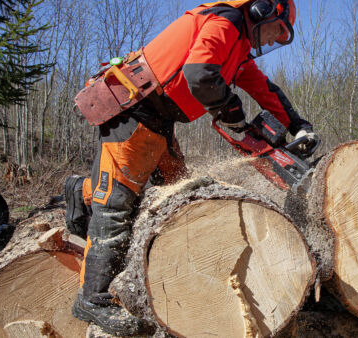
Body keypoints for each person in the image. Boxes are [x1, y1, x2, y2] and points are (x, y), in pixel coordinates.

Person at [64, 0, 319, 335]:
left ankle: (82, 190)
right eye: (278, 30)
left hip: (160, 120)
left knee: (177, 192)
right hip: (136, 108)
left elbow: (265, 89)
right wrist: (229, 107)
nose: (272, 40)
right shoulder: (225, 22)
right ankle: (92, 298)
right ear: (262, 10)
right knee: (116, 205)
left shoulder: (238, 48)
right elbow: (199, 73)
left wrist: (298, 124)